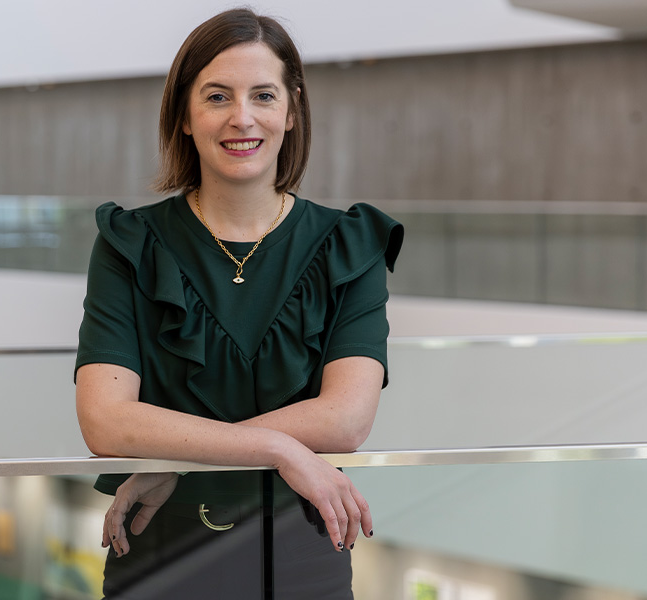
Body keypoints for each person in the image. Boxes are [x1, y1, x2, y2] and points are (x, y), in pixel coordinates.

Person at [75, 8, 403, 599]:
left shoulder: (350, 245)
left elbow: (346, 420)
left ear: (292, 110)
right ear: (183, 115)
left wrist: (174, 459)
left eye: (263, 95)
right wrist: (281, 448)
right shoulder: (129, 243)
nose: (242, 118)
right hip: (159, 552)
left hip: (304, 546)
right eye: (218, 96)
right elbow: (105, 421)